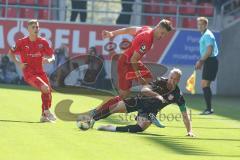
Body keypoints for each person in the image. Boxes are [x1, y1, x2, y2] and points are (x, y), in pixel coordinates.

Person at [77, 68, 195, 136]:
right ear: (169, 76)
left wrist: (189, 131)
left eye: (175, 79)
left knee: (140, 127)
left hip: (150, 110)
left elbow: (185, 115)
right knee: (114, 108)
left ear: (179, 80)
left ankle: (112, 128)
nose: (172, 81)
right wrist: (157, 95)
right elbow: (144, 89)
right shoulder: (160, 81)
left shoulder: (178, 95)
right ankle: (92, 120)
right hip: (139, 100)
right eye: (171, 78)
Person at [100, 19, 173, 113]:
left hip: (130, 60)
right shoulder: (147, 39)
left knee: (149, 81)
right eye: (162, 33)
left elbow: (129, 30)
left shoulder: (147, 29)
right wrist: (139, 76)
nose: (162, 36)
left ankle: (145, 110)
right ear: (158, 27)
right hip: (125, 64)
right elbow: (133, 60)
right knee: (123, 95)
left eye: (164, 35)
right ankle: (99, 111)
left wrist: (112, 34)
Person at [8, 19, 56, 122]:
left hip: (41, 72)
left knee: (48, 92)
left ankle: (43, 116)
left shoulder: (43, 42)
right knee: (45, 88)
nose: (36, 29)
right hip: (29, 73)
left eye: (37, 27)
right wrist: (18, 63)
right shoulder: (21, 42)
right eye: (33, 27)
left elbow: (52, 55)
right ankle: (47, 111)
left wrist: (49, 59)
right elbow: (10, 53)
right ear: (28, 29)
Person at [195, 17, 219, 115]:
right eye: (198, 24)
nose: (199, 26)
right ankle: (209, 109)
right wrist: (202, 62)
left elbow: (209, 51)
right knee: (205, 84)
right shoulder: (205, 34)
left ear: (206, 25)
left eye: (201, 24)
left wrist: (200, 61)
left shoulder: (208, 35)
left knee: (205, 84)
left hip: (211, 61)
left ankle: (209, 109)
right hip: (209, 61)